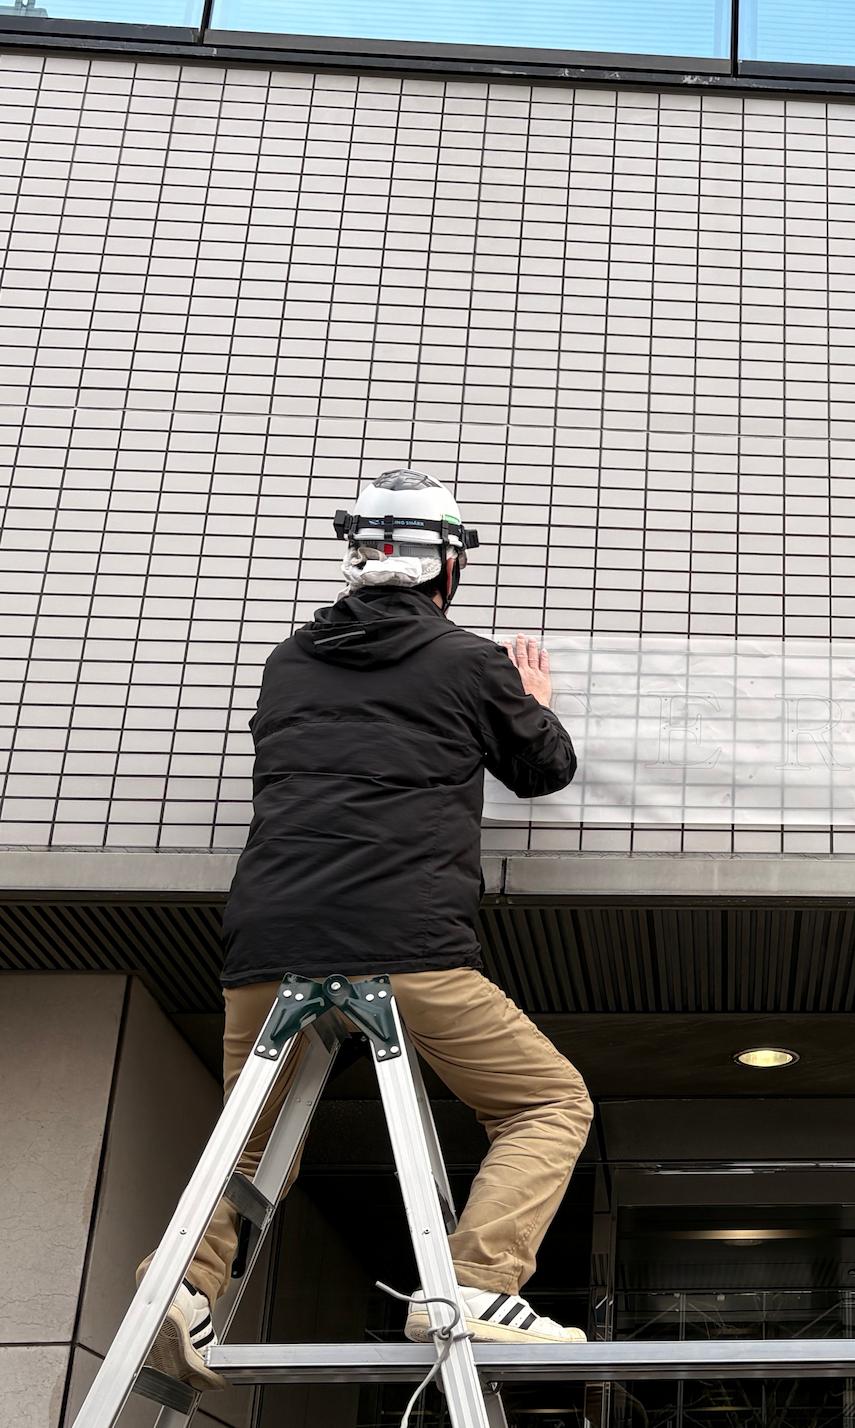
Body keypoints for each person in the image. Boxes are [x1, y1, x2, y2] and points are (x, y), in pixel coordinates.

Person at [147, 470, 593, 1391]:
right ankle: (472, 1285)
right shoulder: (469, 662)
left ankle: (182, 1288)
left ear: (358, 562)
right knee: (548, 1103)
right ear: (448, 571)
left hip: (268, 944)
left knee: (254, 1141)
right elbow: (544, 770)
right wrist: (532, 696)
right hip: (407, 943)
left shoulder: (287, 661)